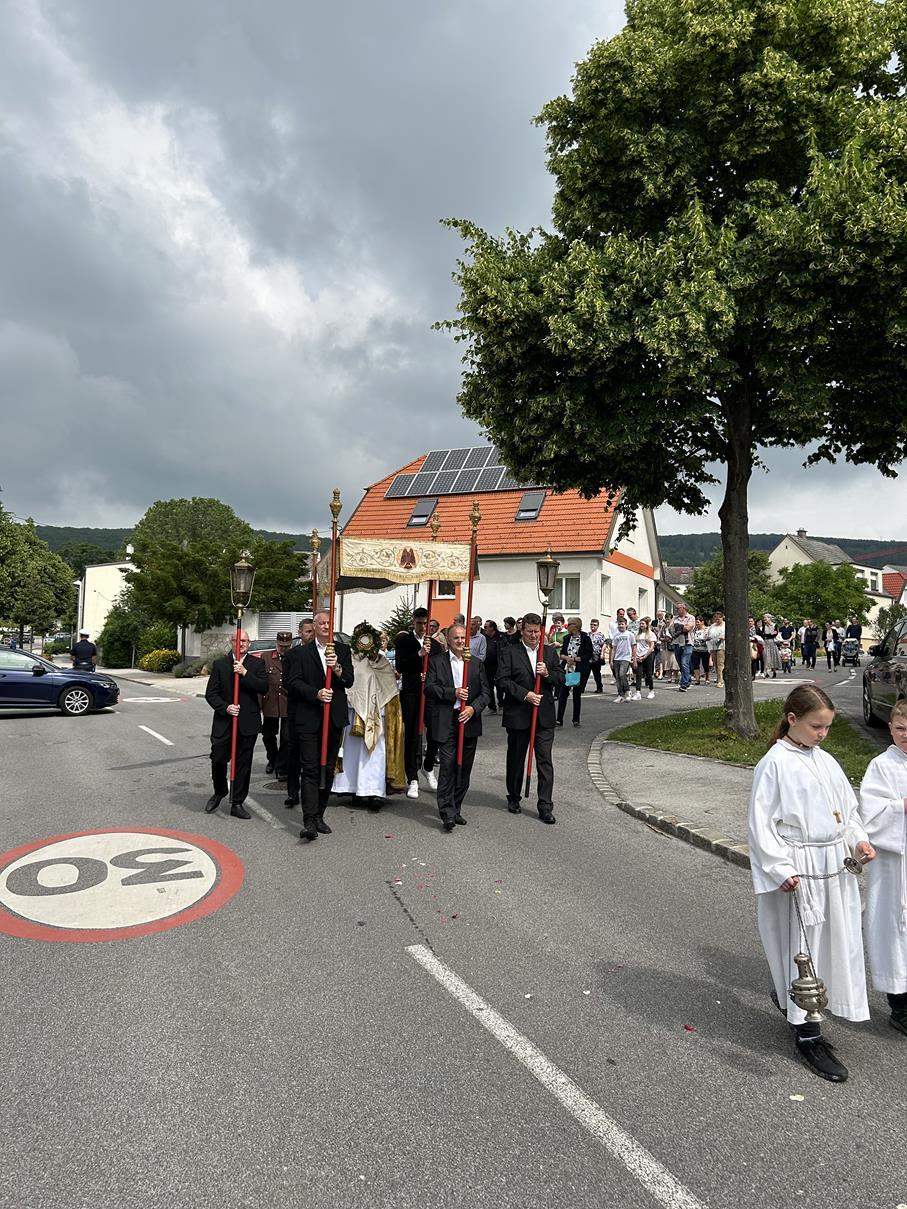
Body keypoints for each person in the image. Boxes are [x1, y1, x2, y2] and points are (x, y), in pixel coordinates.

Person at [748, 685, 876, 1082]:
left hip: (833, 865)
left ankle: (802, 1004)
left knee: (835, 943)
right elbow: (761, 825)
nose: (822, 734)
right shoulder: (774, 764)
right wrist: (779, 869)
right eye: (816, 726)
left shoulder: (825, 760)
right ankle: (807, 1034)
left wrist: (858, 839)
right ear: (792, 719)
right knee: (802, 949)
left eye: (827, 727)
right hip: (800, 869)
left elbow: (847, 812)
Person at [283, 610, 355, 842]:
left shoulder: (342, 650)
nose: (325, 626)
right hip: (309, 718)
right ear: (313, 626)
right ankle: (309, 820)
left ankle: (320, 815)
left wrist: (337, 668)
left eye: (328, 623)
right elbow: (292, 683)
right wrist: (316, 693)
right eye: (321, 623)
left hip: (333, 718)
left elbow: (349, 680)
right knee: (311, 768)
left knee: (328, 767)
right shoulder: (300, 653)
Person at [859, 700, 907, 1038]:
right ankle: (900, 1008)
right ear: (890, 728)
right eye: (901, 728)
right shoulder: (882, 766)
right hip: (894, 867)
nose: (906, 735)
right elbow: (871, 815)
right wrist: (902, 806)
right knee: (895, 933)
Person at [496, 612, 565, 823]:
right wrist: (525, 694)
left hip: (543, 716)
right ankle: (513, 797)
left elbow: (561, 679)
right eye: (529, 632)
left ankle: (545, 805)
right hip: (519, 714)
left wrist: (547, 674)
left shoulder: (549, 653)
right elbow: (502, 680)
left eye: (536, 632)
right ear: (522, 631)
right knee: (516, 759)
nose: (533, 636)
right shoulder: (510, 652)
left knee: (545, 761)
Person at [332, 622, 406, 810]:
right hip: (353, 716)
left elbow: (390, 689)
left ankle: (374, 791)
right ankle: (353, 789)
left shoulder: (382, 662)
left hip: (378, 717)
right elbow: (348, 685)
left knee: (375, 756)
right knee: (352, 754)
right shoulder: (350, 661)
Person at [425, 623, 490, 830]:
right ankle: (446, 812)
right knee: (448, 766)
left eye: (463, 638)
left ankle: (456, 807)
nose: (460, 641)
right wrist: (452, 692)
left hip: (468, 720)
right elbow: (429, 688)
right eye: (456, 638)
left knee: (464, 768)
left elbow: (486, 694)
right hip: (447, 720)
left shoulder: (476, 663)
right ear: (448, 640)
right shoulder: (437, 661)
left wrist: (473, 708)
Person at [204, 630, 269, 818]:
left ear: (249, 643)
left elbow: (263, 687)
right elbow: (211, 694)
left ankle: (237, 802)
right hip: (225, 721)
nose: (241, 644)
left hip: (247, 722)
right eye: (237, 640)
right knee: (218, 758)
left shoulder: (257, 664)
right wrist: (225, 707)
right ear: (231, 642)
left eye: (244, 641)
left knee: (242, 764)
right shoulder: (220, 664)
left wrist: (245, 673)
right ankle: (220, 791)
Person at [394, 607, 444, 799]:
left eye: (426, 624)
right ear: (414, 622)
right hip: (412, 692)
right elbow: (400, 665)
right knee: (413, 735)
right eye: (420, 623)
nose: (423, 627)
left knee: (435, 733)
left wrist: (430, 676)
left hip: (431, 694)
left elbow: (441, 668)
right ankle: (412, 778)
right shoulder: (404, 641)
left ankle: (428, 766)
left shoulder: (436, 645)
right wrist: (419, 655)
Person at [283, 619, 315, 808]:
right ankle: (292, 792)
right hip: (297, 709)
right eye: (308, 631)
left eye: (313, 631)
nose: (311, 635)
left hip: (316, 709)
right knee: (294, 751)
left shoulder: (321, 654)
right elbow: (288, 683)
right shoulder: (292, 654)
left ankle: (312, 791)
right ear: (300, 633)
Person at [260, 631, 292, 779]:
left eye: (286, 646)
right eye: (281, 646)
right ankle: (272, 759)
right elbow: (261, 680)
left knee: (286, 737)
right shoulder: (266, 657)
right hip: (270, 702)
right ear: (276, 644)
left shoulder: (295, 657)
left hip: (288, 702)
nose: (283, 649)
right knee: (268, 735)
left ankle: (282, 766)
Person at [557, 616, 593, 726]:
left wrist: (576, 659)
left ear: (576, 626)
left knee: (576, 694)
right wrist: (567, 658)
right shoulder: (567, 638)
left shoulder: (585, 638)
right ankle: (559, 719)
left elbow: (589, 654)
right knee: (563, 693)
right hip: (567, 669)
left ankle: (576, 719)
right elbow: (562, 653)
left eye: (569, 624)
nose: (567, 626)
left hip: (578, 669)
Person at [609, 616, 635, 703]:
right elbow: (614, 648)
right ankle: (620, 695)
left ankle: (628, 691)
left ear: (626, 625)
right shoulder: (616, 636)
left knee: (622, 674)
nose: (621, 626)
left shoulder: (630, 635)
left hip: (626, 658)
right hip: (617, 658)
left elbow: (634, 646)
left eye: (622, 624)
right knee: (618, 677)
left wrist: (633, 658)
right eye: (619, 624)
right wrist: (611, 660)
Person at [671, 603, 695, 691]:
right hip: (677, 642)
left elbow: (687, 629)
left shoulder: (691, 617)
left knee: (684, 663)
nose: (676, 610)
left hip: (687, 643)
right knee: (681, 664)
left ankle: (683, 684)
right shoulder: (674, 618)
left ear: (683, 608)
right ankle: (687, 679)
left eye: (678, 608)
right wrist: (682, 627)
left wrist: (678, 626)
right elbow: (671, 629)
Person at [632, 617, 656, 699]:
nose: (641, 625)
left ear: (647, 625)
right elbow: (635, 646)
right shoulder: (636, 634)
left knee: (648, 674)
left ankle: (651, 690)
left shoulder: (651, 634)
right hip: (638, 656)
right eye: (640, 623)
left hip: (648, 655)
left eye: (643, 623)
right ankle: (638, 692)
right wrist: (635, 656)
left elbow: (651, 647)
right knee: (638, 674)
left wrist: (644, 656)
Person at [482, 620, 501, 712]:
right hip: (487, 666)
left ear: (492, 628)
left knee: (500, 686)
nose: (484, 629)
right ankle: (491, 706)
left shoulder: (500, 637)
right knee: (489, 686)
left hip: (498, 666)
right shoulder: (484, 637)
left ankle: (501, 704)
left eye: (486, 627)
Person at [707, 612, 725, 688]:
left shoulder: (725, 625)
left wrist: (723, 637)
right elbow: (708, 634)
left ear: (722, 618)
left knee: (720, 663)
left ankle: (720, 681)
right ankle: (719, 677)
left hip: (722, 646)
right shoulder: (712, 626)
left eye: (719, 618)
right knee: (715, 663)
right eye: (716, 618)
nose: (717, 620)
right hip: (713, 646)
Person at [691, 617, 710, 686]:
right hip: (695, 649)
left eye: (698, 622)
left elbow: (710, 638)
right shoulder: (694, 629)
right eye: (696, 622)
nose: (697, 624)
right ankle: (697, 679)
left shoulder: (707, 629)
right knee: (695, 664)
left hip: (705, 649)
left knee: (706, 665)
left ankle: (707, 678)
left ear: (702, 622)